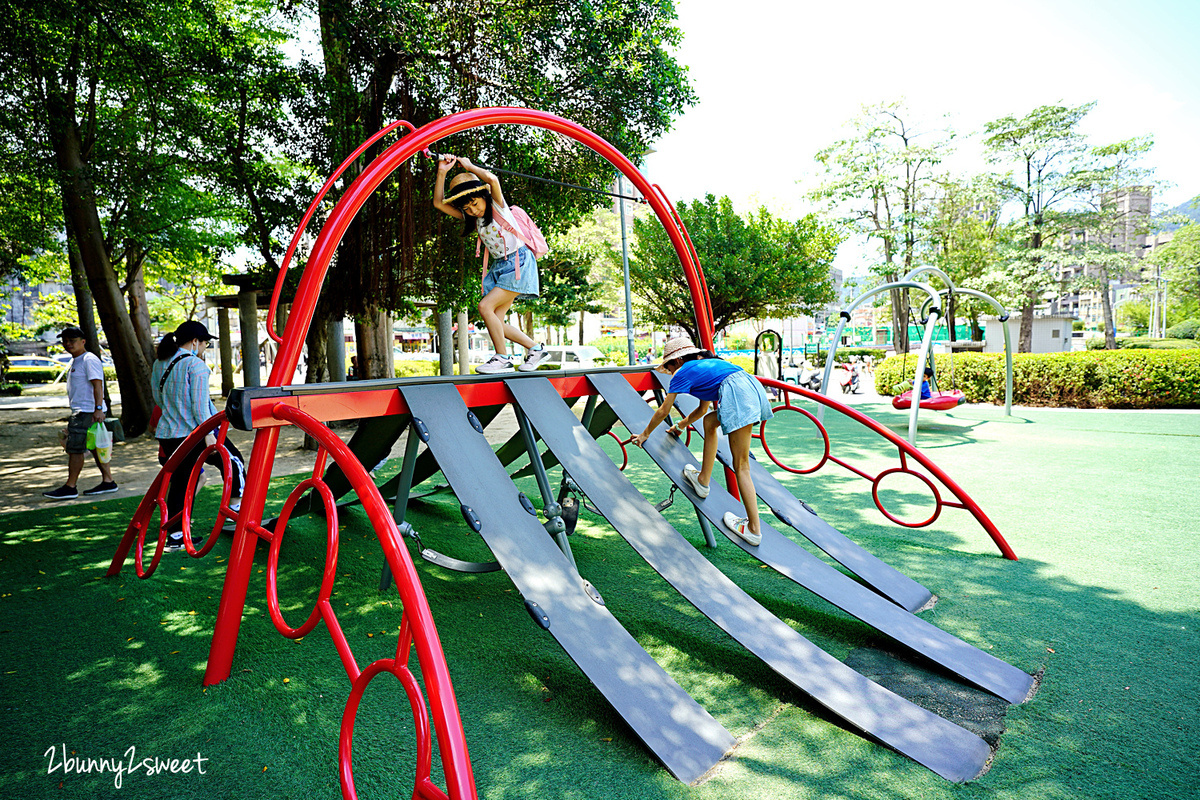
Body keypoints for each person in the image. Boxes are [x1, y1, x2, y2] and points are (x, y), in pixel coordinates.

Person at [631, 336, 774, 546]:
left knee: (741, 466)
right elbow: (703, 409)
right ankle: (703, 480)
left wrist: (645, 434)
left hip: (740, 396)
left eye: (669, 367)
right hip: (752, 389)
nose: (670, 372)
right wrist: (681, 426)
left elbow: (663, 410)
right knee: (709, 422)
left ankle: (753, 529)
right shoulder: (706, 366)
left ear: (677, 361)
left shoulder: (682, 372)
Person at [433, 154, 550, 374]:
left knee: (485, 307)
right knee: (495, 321)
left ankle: (502, 358)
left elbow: (493, 180)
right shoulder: (473, 219)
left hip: (519, 262)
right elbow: (438, 203)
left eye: (475, 204)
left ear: (484, 196)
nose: (473, 211)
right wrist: (442, 172)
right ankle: (536, 349)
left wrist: (469, 166)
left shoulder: (499, 207)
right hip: (501, 267)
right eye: (467, 209)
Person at [152, 320, 246, 551]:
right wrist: (208, 435)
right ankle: (235, 508)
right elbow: (200, 407)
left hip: (170, 433)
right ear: (195, 342)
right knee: (234, 461)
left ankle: (175, 535)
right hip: (195, 432)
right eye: (204, 343)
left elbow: (158, 400)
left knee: (182, 483)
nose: (204, 348)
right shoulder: (196, 365)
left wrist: (176, 412)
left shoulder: (160, 363)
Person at [42, 326, 117, 500]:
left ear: (83, 342)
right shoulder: (77, 360)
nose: (68, 344)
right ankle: (108, 481)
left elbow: (98, 385)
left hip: (86, 411)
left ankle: (71, 486)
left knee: (75, 449)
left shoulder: (88, 359)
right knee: (97, 447)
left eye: (72, 341)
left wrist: (98, 408)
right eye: (65, 341)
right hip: (85, 410)